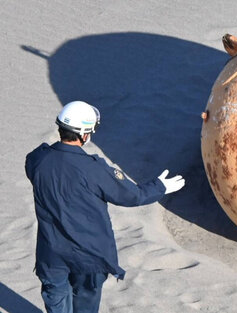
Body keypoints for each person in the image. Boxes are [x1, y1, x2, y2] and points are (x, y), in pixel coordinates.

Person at [25, 101, 185, 313]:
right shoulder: (94, 168)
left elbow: (37, 170)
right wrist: (159, 186)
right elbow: (132, 196)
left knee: (56, 303)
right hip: (89, 256)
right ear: (84, 134)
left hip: (51, 254)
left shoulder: (37, 159)